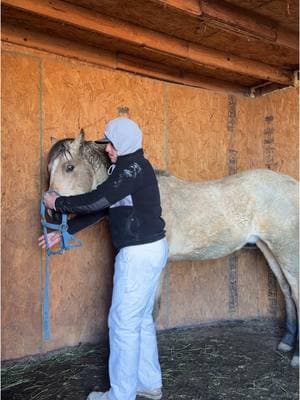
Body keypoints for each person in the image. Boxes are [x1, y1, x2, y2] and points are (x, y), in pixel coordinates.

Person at [40, 117, 168, 400]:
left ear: (123, 144)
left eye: (111, 143)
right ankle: (148, 383)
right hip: (148, 249)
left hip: (138, 253)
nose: (107, 148)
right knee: (141, 320)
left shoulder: (131, 169)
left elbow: (99, 199)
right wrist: (65, 231)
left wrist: (57, 203)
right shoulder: (126, 170)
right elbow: (104, 209)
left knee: (122, 323)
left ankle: (120, 396)